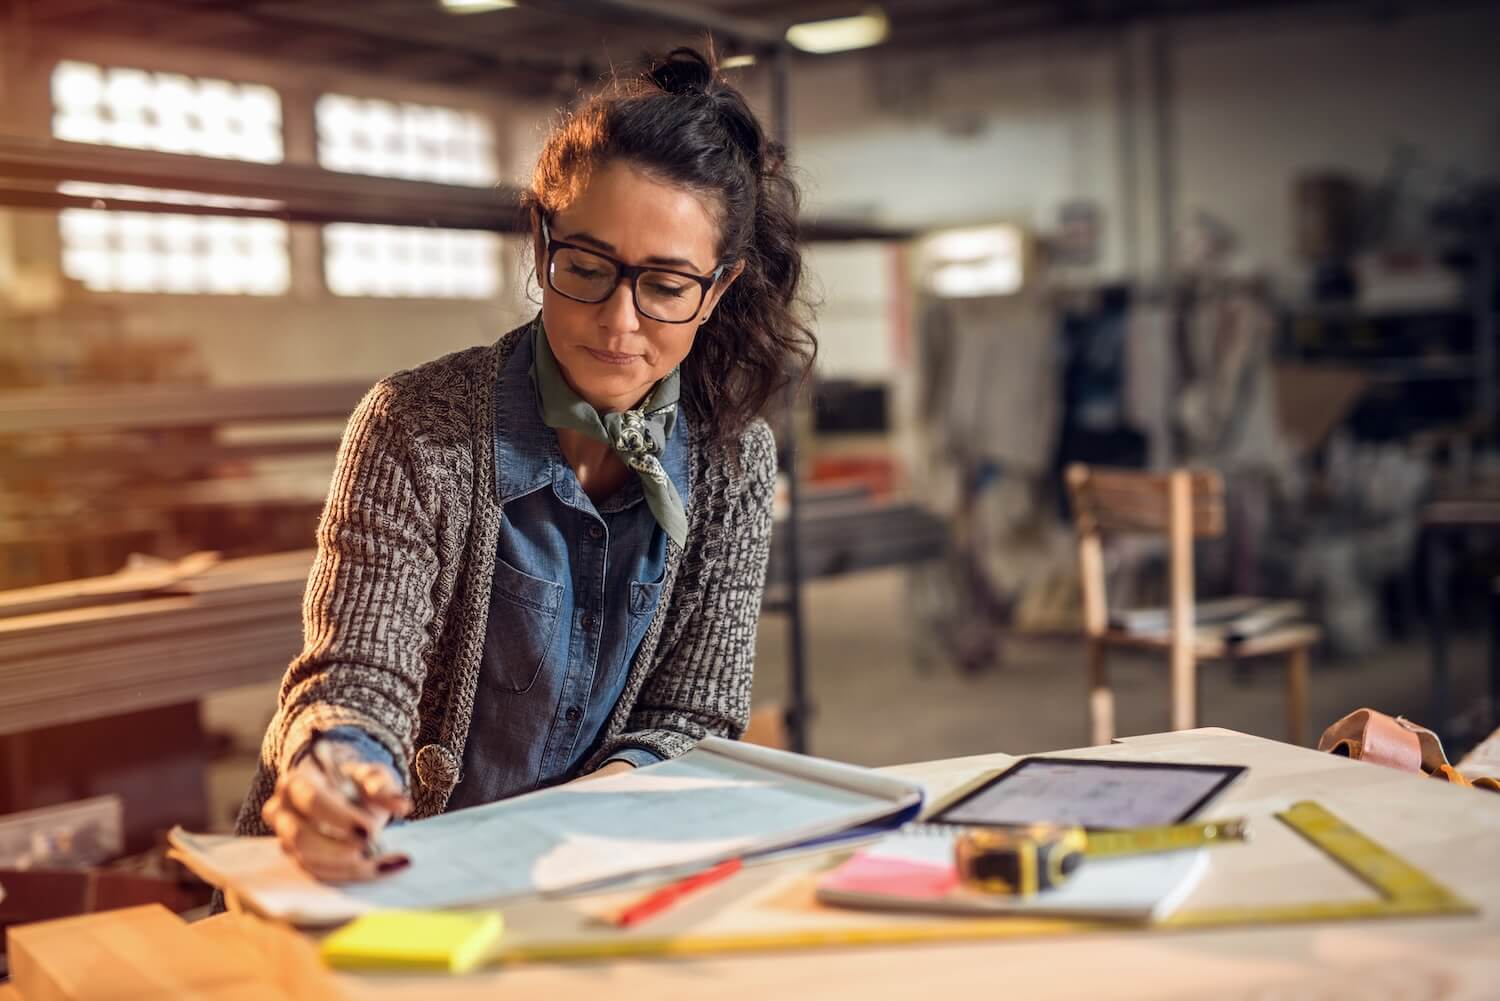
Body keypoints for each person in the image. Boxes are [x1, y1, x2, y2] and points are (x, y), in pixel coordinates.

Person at [234, 46, 815, 882]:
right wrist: (338, 762)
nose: (619, 321)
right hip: (360, 878)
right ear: (543, 242)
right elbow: (359, 667)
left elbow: (695, 710)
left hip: (570, 879)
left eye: (666, 285)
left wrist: (589, 814)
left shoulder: (731, 454)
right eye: (586, 268)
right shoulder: (415, 428)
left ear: (716, 290)